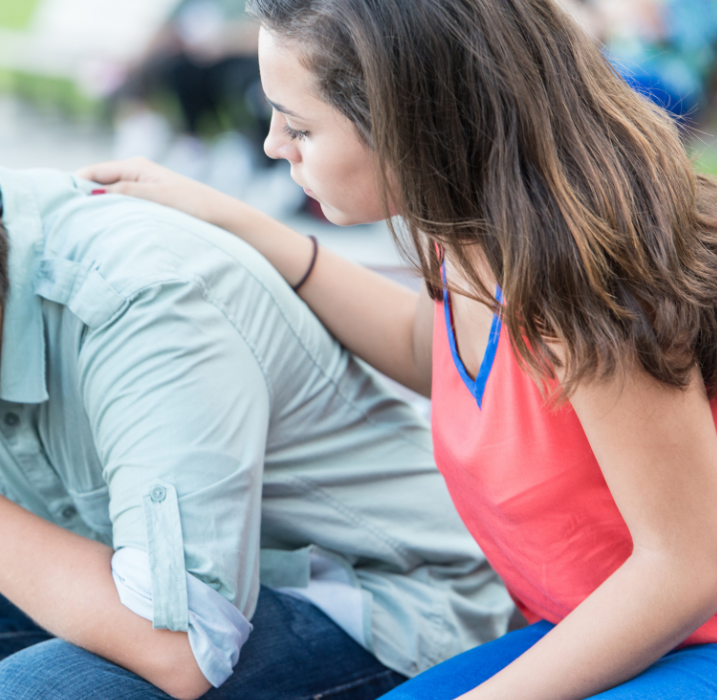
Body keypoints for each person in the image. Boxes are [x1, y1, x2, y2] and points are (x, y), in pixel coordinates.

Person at [77, 0, 717, 697]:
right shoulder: (473, 234)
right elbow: (432, 351)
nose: (272, 145)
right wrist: (236, 221)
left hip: (684, 629)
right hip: (599, 625)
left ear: (412, 124)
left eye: (297, 125)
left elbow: (685, 567)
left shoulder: (585, 280)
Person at [0, 150, 513, 700]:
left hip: (367, 598)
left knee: (42, 694)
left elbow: (183, 649)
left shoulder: (137, 300)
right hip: (116, 572)